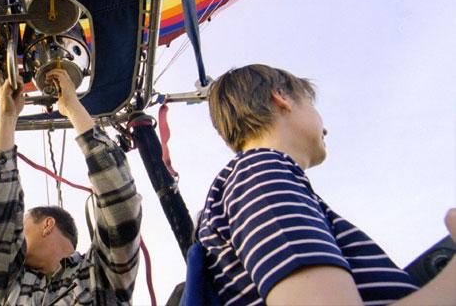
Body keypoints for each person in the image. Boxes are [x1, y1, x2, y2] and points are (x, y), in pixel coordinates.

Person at [194, 63, 456, 305]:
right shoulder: (260, 175)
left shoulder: (257, 180)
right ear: (281, 98)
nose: (325, 128)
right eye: (311, 104)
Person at [0, 68, 142, 305]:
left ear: (48, 225)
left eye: (21, 229)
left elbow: (121, 205)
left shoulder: (101, 276)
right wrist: (6, 118)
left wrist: (73, 107)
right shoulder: (10, 287)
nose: (15, 238)